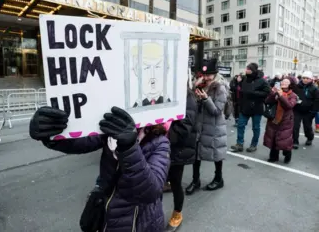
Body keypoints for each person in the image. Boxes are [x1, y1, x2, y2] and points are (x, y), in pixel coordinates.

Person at [29, 106, 170, 231]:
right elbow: (81, 142)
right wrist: (52, 135)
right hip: (107, 217)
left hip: (141, 223)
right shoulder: (111, 129)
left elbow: (151, 192)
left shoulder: (160, 142)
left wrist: (129, 147)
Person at [186, 59, 228, 195]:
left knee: (216, 153)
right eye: (204, 75)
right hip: (200, 125)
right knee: (197, 154)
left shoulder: (220, 88)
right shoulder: (202, 85)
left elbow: (217, 110)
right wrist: (193, 88)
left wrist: (205, 99)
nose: (206, 77)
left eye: (209, 74)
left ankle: (218, 178)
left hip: (214, 127)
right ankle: (195, 180)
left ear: (215, 74)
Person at [165, 87, 198, 232]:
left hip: (177, 149)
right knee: (156, 181)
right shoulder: (165, 93)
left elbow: (185, 128)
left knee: (176, 183)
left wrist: (161, 132)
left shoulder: (188, 98)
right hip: (161, 147)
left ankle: (177, 213)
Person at [231, 63, 270, 152]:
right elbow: (238, 89)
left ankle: (253, 145)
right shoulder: (244, 78)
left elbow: (267, 92)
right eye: (246, 68)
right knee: (240, 125)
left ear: (253, 70)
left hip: (256, 107)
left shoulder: (262, 81)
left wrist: (254, 93)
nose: (246, 70)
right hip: (244, 107)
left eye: (248, 69)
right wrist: (237, 82)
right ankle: (239, 143)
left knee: (255, 127)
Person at [263, 77, 298, 163]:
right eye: (282, 81)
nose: (283, 83)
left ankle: (287, 154)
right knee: (273, 137)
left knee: (285, 139)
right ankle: (273, 157)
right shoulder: (276, 91)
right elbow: (267, 101)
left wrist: (281, 96)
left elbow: (289, 106)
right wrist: (272, 94)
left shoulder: (293, 95)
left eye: (286, 82)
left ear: (290, 85)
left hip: (286, 120)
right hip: (274, 118)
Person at [292, 71, 319, 149]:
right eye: (304, 78)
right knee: (295, 126)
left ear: (311, 79)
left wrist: (314, 111)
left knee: (307, 126)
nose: (305, 80)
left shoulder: (314, 88)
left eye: (307, 78)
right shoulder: (297, 86)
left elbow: (317, 100)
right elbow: (293, 96)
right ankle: (295, 141)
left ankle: (309, 137)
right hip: (297, 110)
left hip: (308, 111)